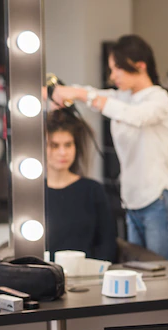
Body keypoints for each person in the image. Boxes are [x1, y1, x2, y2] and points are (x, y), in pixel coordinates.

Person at [50, 35, 168, 260]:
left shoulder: (159, 99)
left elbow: (134, 116)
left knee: (164, 277)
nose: (112, 76)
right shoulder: (123, 97)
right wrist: (59, 92)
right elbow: (96, 96)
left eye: (117, 69)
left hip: (159, 201)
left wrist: (80, 94)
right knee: (138, 272)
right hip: (132, 201)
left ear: (139, 66)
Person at [45, 109, 116, 262]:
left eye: (68, 145)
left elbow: (107, 243)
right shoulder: (33, 193)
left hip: (88, 276)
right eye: (55, 145)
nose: (63, 152)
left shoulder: (92, 190)